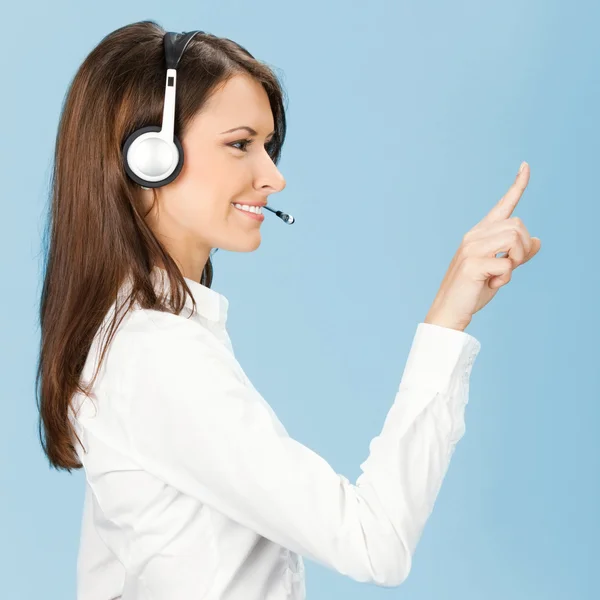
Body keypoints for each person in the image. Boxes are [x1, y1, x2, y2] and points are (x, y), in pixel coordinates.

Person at [35, 20, 541, 600]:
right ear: (151, 155)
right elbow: (374, 542)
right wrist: (448, 320)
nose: (273, 177)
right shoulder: (157, 355)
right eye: (240, 144)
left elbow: (110, 577)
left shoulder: (131, 336)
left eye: (267, 147)